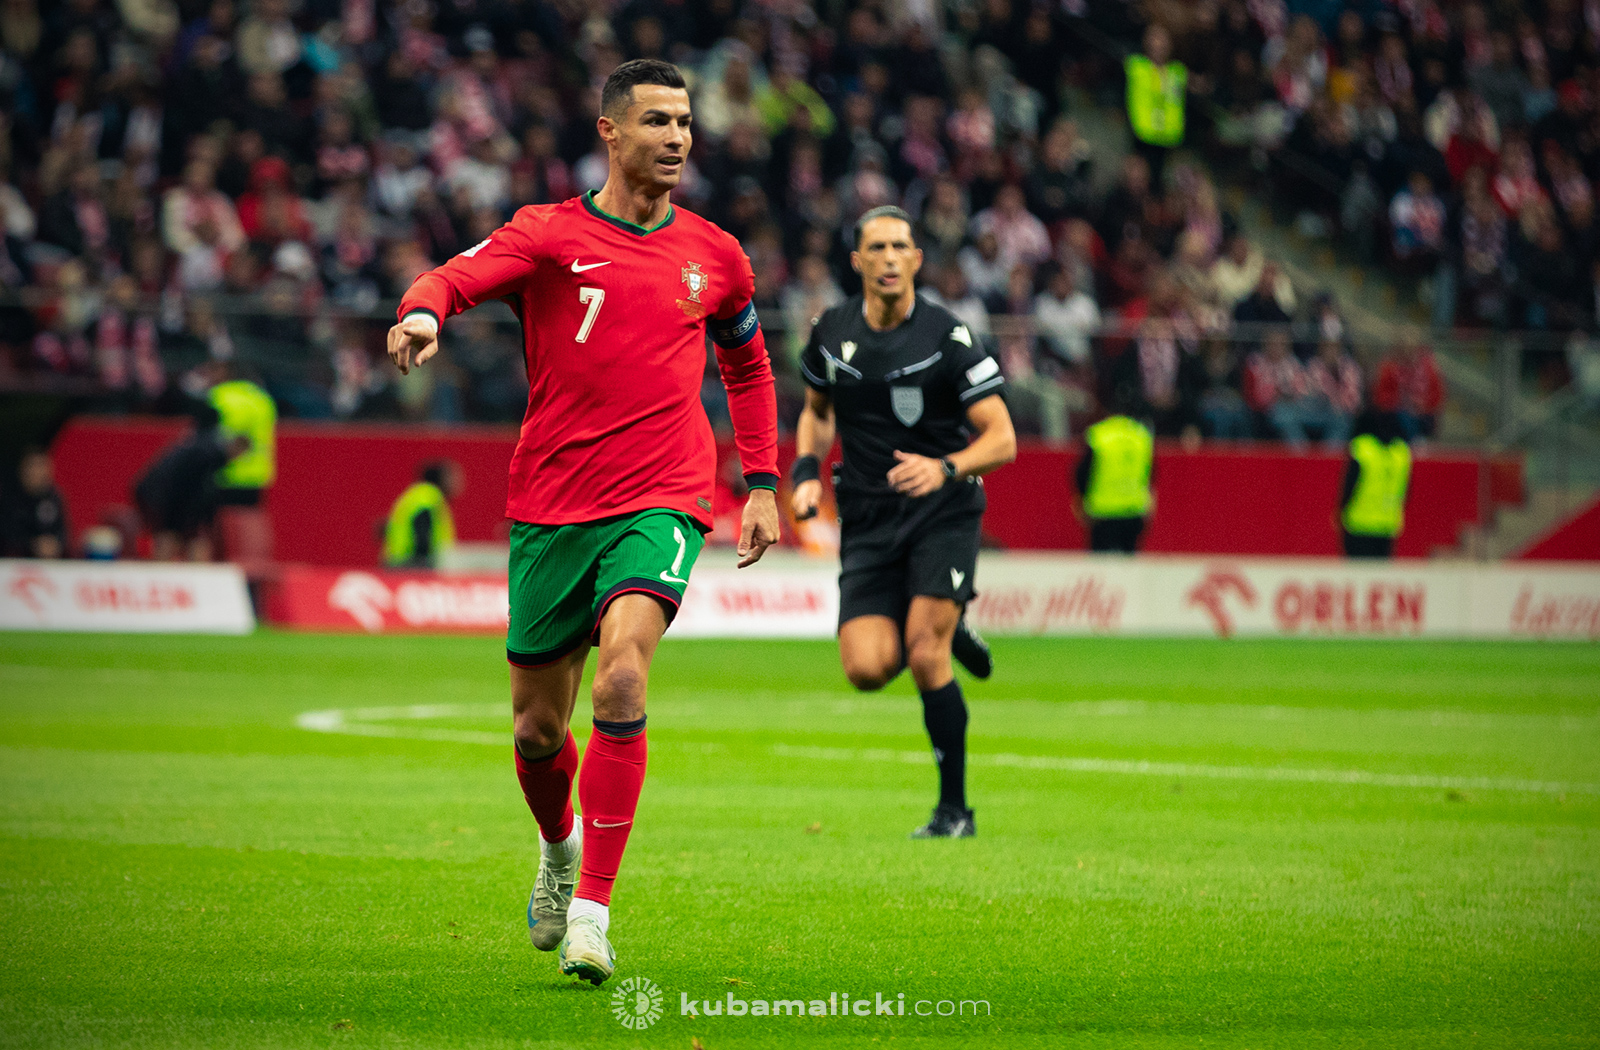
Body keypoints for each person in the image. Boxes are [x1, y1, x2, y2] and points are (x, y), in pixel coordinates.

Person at [387, 60, 780, 988]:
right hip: (553, 504)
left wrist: (761, 479)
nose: (677, 137)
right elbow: (453, 276)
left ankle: (594, 912)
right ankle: (559, 849)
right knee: (534, 730)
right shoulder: (551, 235)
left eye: (685, 121)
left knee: (624, 677)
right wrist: (419, 314)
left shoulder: (717, 255)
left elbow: (751, 369)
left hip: (667, 494)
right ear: (611, 132)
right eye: (656, 121)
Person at [791, 205, 1017, 841]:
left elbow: (1002, 439)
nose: (890, 258)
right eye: (877, 248)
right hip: (866, 516)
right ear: (858, 261)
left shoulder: (949, 337)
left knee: (924, 652)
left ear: (917, 260)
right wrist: (807, 469)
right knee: (865, 669)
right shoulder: (830, 331)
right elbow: (817, 411)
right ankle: (951, 619)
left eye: (901, 247)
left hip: (941, 508)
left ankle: (955, 812)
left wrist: (945, 468)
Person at [133, 405, 249, 562]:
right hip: (160, 496)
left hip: (159, 494)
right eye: (240, 454)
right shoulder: (208, 452)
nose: (238, 459)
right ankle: (166, 573)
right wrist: (188, 522)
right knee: (174, 536)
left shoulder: (199, 444)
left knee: (180, 535)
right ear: (236, 447)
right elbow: (185, 488)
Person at [1075, 412, 1154, 553]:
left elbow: (1082, 472)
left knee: (1102, 566)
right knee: (1129, 565)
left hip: (1103, 512)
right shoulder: (1141, 436)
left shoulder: (1099, 435)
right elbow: (1150, 474)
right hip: (1133, 510)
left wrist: (1080, 500)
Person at [1339, 410, 1411, 559]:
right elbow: (1406, 489)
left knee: (1359, 576)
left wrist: (1341, 508)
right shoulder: (1401, 452)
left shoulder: (1363, 449)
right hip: (1387, 523)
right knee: (1380, 574)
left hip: (1359, 523)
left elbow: (1350, 483)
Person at [1124, 24, 1187, 184]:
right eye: (1154, 38)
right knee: (1136, 179)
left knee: (1159, 184)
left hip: (1167, 139)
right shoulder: (1135, 65)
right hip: (1140, 135)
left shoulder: (1178, 72)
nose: (1158, 44)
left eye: (1162, 39)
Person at [382, 461, 462, 568]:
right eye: (452, 477)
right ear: (441, 477)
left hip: (400, 561)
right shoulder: (427, 496)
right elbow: (422, 534)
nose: (457, 481)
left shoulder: (417, 494)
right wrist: (426, 565)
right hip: (409, 565)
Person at [2, 447, 68, 558]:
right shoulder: (9, 499)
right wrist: (32, 545)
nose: (38, 472)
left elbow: (63, 533)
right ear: (22, 469)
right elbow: (7, 535)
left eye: (42, 466)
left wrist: (55, 545)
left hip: (48, 564)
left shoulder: (53, 498)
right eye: (33, 466)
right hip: (13, 563)